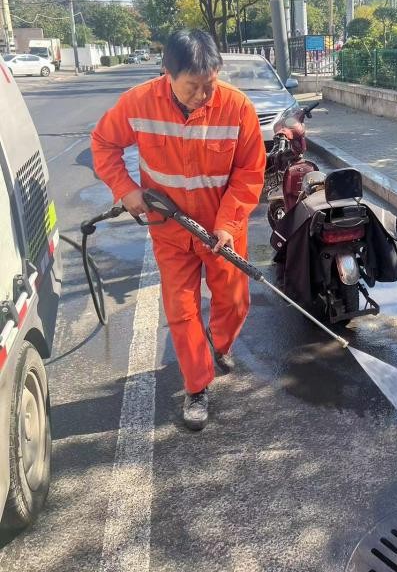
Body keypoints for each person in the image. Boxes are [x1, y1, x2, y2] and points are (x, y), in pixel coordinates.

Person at [91, 29, 266, 430]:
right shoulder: (137, 103)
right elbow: (103, 143)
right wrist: (126, 190)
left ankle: (219, 344)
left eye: (210, 84)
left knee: (235, 301)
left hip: (222, 230)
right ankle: (197, 385)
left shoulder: (237, 108)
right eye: (193, 87)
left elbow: (249, 172)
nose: (204, 95)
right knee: (181, 310)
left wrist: (227, 223)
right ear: (167, 73)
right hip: (169, 229)